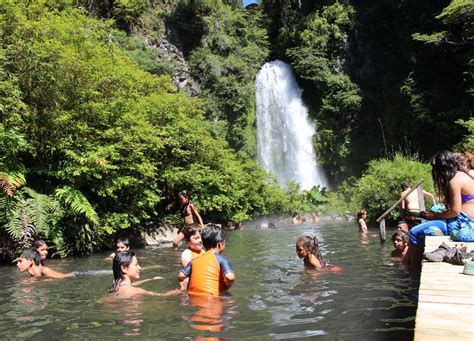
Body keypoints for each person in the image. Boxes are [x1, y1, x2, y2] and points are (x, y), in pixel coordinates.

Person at [407, 150, 474, 270]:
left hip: (462, 223)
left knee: (413, 232)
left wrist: (434, 216)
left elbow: (455, 211)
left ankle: (413, 272)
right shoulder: (463, 176)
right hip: (467, 222)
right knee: (425, 230)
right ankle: (407, 266)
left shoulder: (455, 180)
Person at [178, 224, 235, 295]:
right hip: (211, 300)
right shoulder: (221, 258)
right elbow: (230, 277)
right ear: (220, 244)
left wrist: (184, 287)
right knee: (230, 301)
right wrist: (226, 286)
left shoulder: (195, 260)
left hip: (193, 297)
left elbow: (181, 275)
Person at [107, 251, 177, 298]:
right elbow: (163, 296)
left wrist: (150, 279)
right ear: (124, 268)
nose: (139, 268)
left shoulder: (113, 289)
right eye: (136, 264)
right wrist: (181, 289)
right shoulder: (136, 291)